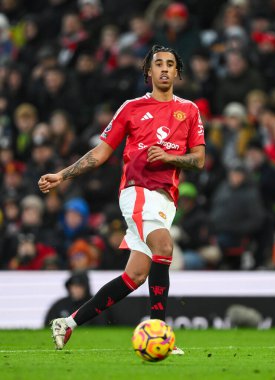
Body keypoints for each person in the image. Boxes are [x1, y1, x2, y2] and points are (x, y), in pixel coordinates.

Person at [38, 45, 205, 354]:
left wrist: (169, 156)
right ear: (149, 72)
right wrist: (62, 175)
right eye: (159, 64)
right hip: (137, 191)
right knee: (165, 246)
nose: (165, 69)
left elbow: (199, 160)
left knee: (136, 275)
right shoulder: (130, 108)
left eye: (171, 64)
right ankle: (160, 332)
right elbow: (100, 153)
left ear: (178, 73)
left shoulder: (190, 110)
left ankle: (68, 323)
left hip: (166, 199)